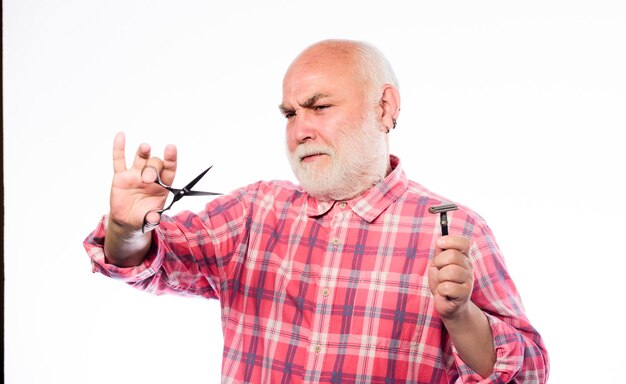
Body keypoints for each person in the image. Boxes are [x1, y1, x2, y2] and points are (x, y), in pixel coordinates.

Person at [84, 39, 549, 383]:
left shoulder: (455, 230)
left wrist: (461, 317)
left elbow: (528, 372)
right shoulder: (255, 211)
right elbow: (152, 261)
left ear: (384, 108)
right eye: (289, 114)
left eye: (319, 107)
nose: (299, 131)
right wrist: (127, 229)